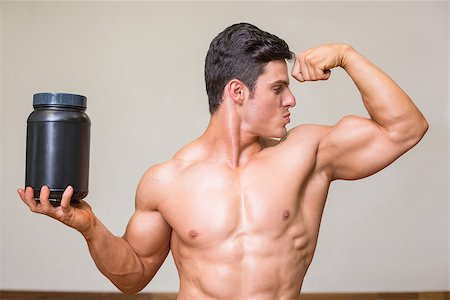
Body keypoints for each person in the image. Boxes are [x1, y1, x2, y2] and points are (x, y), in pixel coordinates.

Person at [18, 23, 428, 299]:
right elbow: (134, 275)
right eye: (278, 88)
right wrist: (89, 227)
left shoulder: (309, 153)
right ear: (237, 92)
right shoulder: (167, 181)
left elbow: (405, 128)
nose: (291, 100)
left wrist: (346, 54)